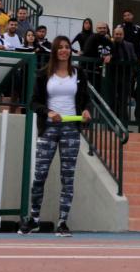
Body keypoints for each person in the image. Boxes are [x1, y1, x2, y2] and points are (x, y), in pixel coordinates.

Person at [22, 36, 92, 236]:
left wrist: (86, 111)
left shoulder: (79, 74)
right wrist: (48, 112)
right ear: (54, 50)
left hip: (71, 129)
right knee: (39, 175)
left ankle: (62, 221)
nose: (64, 50)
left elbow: (86, 98)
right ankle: (34, 218)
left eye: (67, 47)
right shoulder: (44, 74)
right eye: (60, 47)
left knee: (67, 177)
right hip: (49, 128)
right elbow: (33, 102)